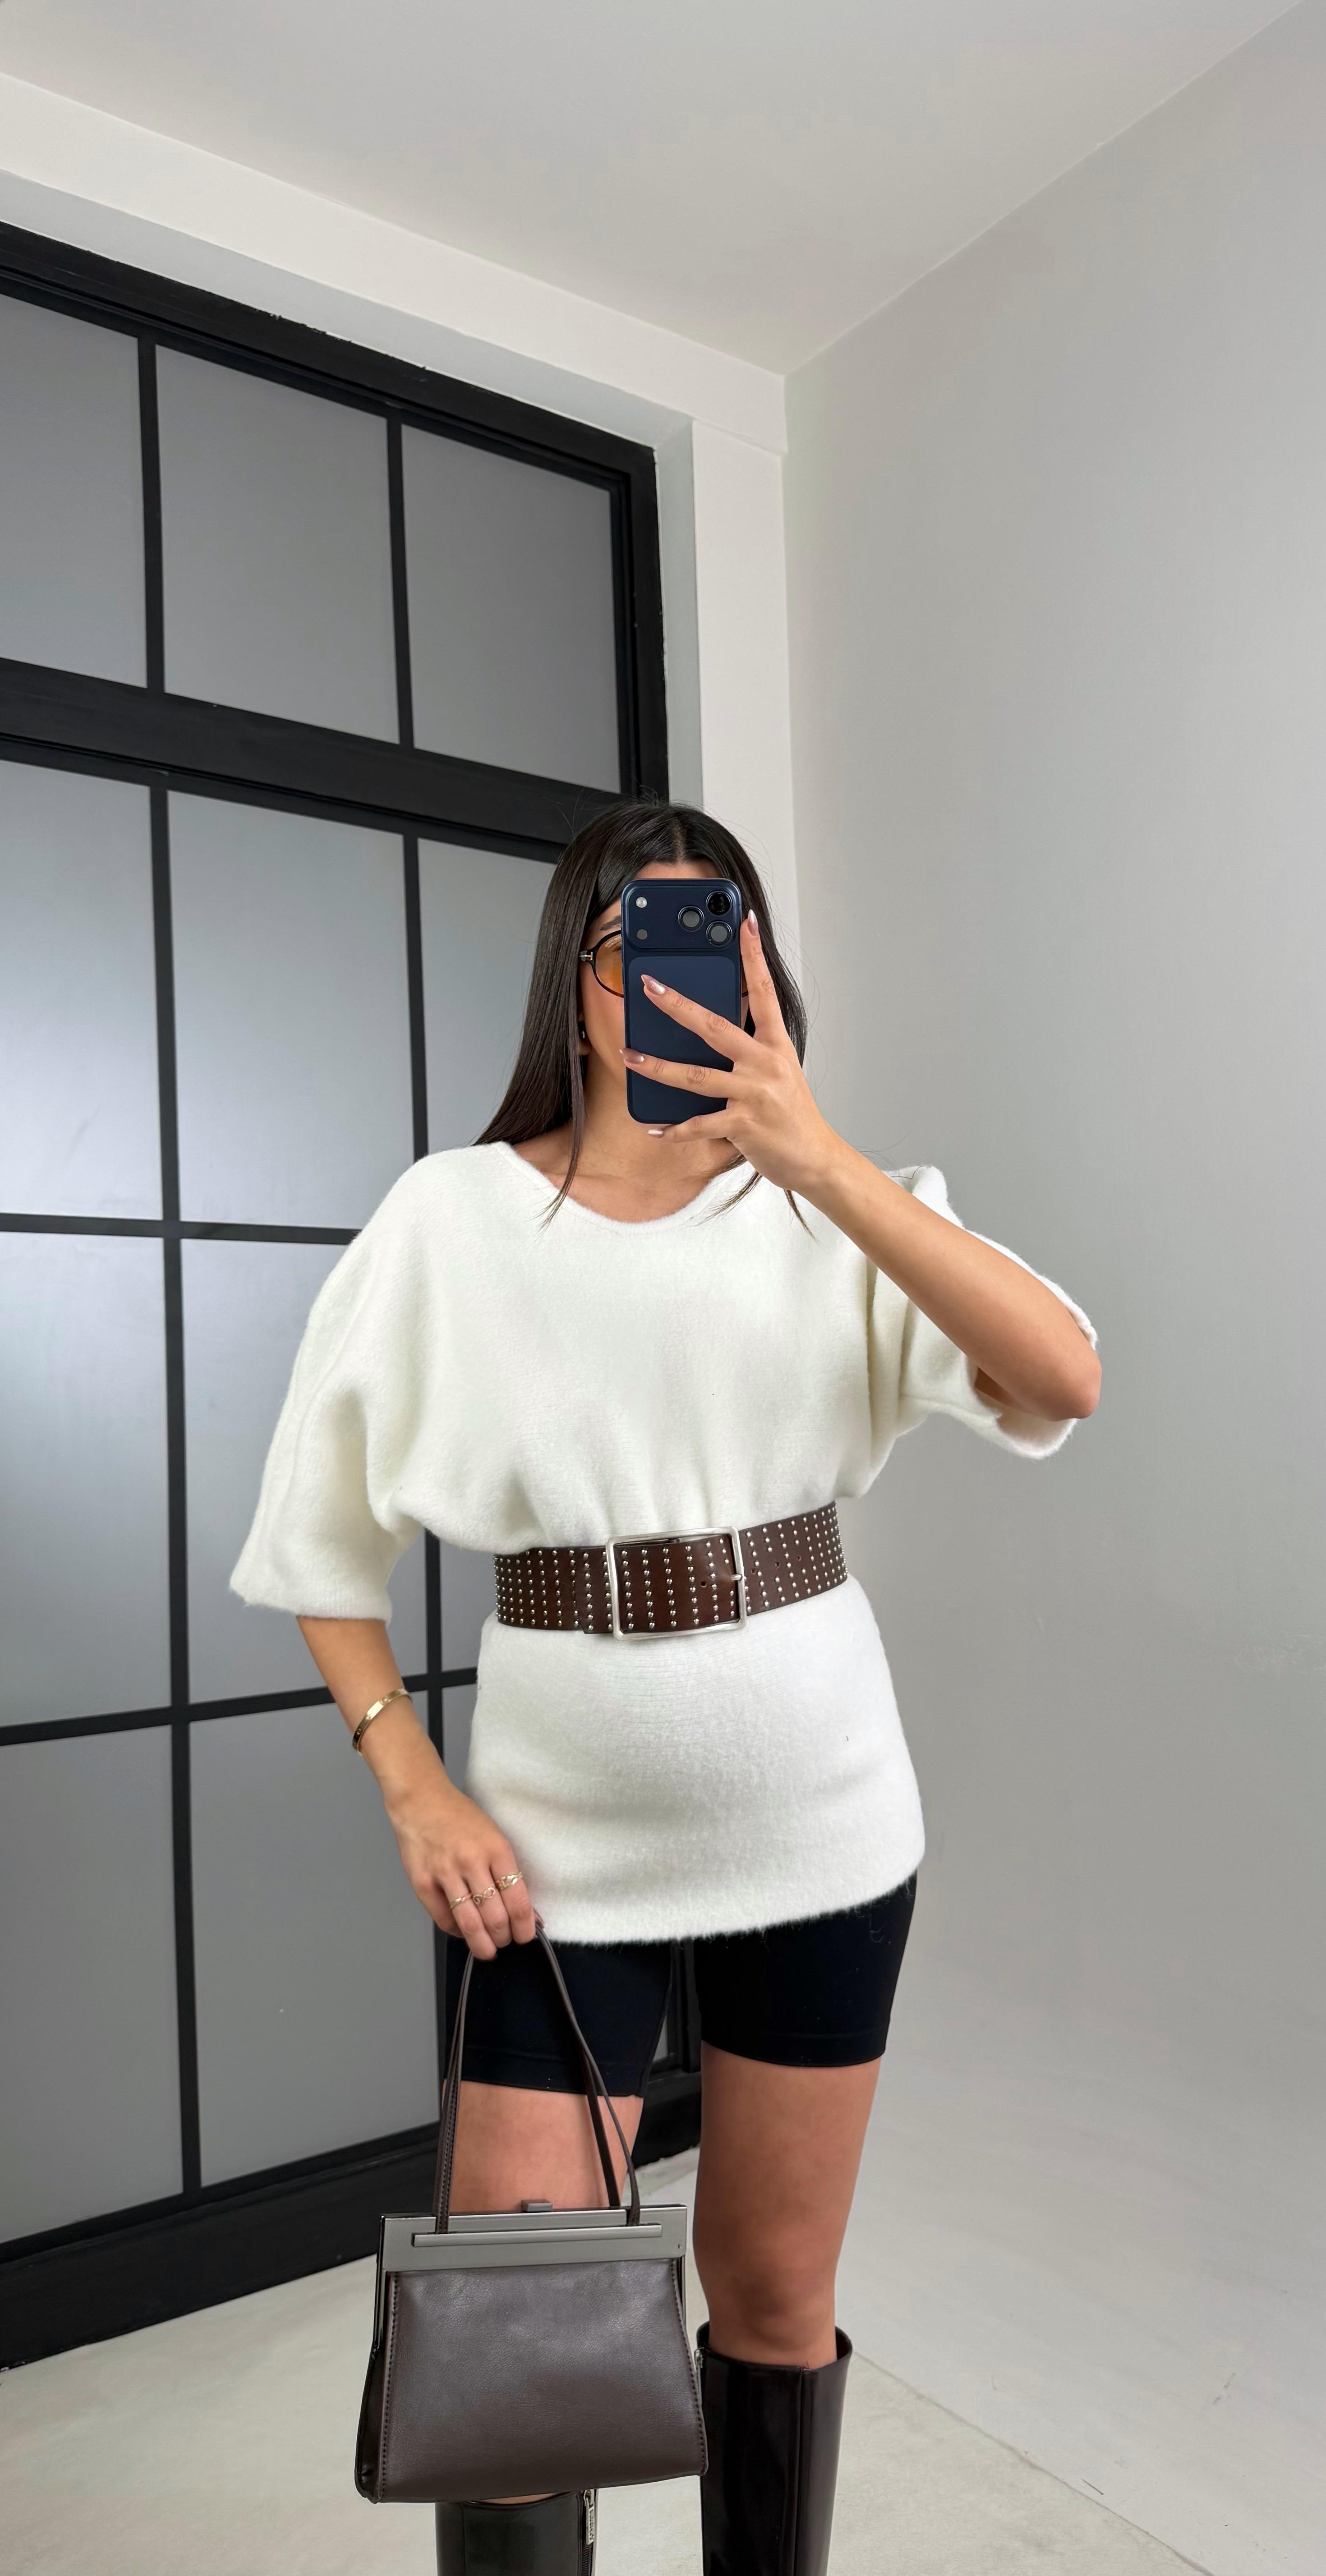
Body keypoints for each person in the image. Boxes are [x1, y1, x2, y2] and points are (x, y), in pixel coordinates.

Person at [230, 799, 1100, 2576]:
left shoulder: (840, 1207)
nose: (688, 979)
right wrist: (413, 1782)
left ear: (767, 975)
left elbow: (1064, 1376)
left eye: (726, 939)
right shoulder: (453, 1219)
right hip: (551, 1849)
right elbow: (319, 1545)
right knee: (516, 2317)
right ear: (580, 976)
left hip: (822, 1818)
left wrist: (822, 1163)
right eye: (644, 942)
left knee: (772, 2294)